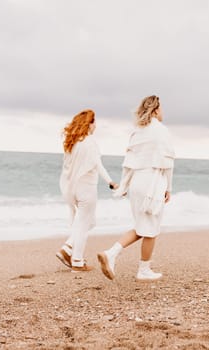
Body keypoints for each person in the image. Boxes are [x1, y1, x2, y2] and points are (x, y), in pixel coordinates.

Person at [97, 95, 175, 281]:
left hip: (137, 182)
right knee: (151, 228)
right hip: (153, 181)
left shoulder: (137, 132)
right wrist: (169, 188)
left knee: (142, 226)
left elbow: (129, 162)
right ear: (156, 110)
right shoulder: (161, 131)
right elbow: (168, 163)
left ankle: (112, 253)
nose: (163, 111)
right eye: (162, 108)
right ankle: (143, 269)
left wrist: (124, 185)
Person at [55, 109, 118, 272]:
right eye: (94, 122)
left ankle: (68, 248)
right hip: (86, 189)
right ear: (89, 124)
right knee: (83, 226)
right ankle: (77, 261)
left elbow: (66, 167)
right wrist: (110, 181)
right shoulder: (90, 142)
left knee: (88, 222)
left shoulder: (72, 142)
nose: (96, 125)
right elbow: (98, 165)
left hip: (71, 189)